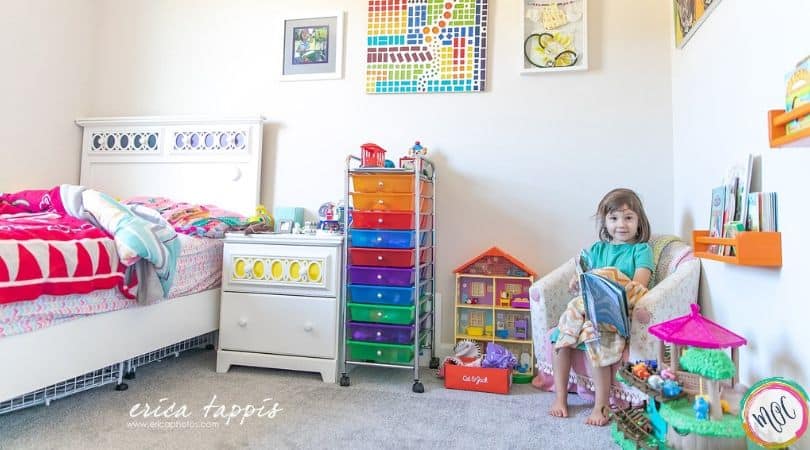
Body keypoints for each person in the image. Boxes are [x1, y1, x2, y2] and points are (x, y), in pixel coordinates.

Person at [548, 188, 654, 426]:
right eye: (614, 218)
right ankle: (561, 398)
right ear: (605, 222)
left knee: (596, 339)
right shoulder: (597, 250)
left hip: (617, 311)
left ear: (639, 221)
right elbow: (583, 279)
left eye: (628, 217)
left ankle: (601, 405)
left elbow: (638, 286)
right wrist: (578, 281)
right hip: (588, 307)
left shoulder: (641, 250)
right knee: (560, 337)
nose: (621, 224)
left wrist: (608, 279)